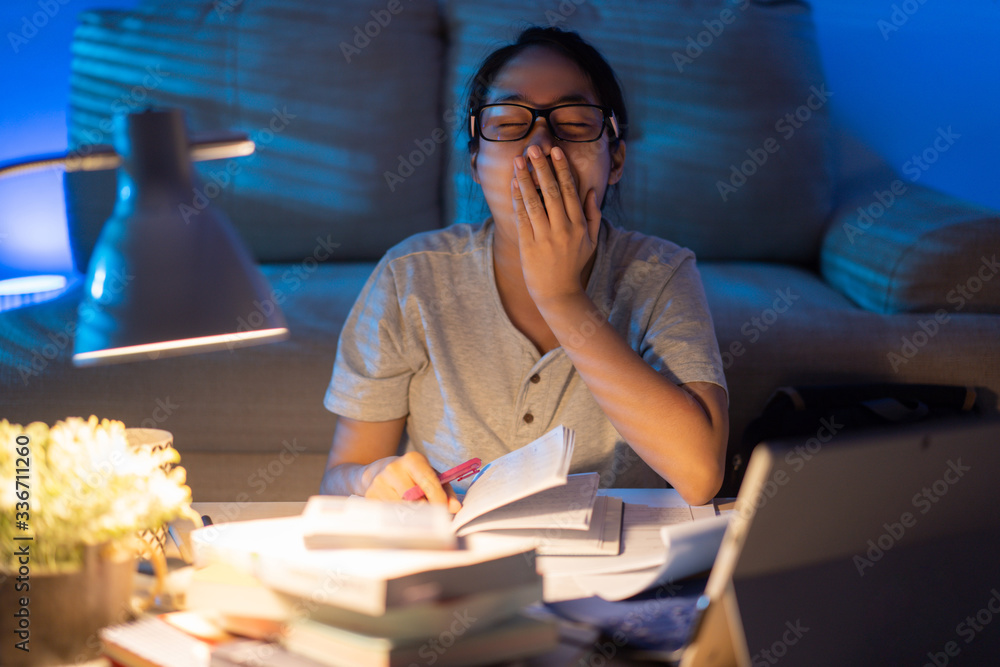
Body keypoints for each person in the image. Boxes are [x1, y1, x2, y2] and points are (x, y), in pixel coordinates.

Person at [320, 26, 728, 508]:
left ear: (615, 158)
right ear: (475, 161)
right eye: (509, 123)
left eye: (574, 124)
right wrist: (373, 480)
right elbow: (339, 478)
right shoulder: (410, 277)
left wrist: (562, 297)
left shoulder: (661, 274)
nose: (540, 145)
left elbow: (700, 474)